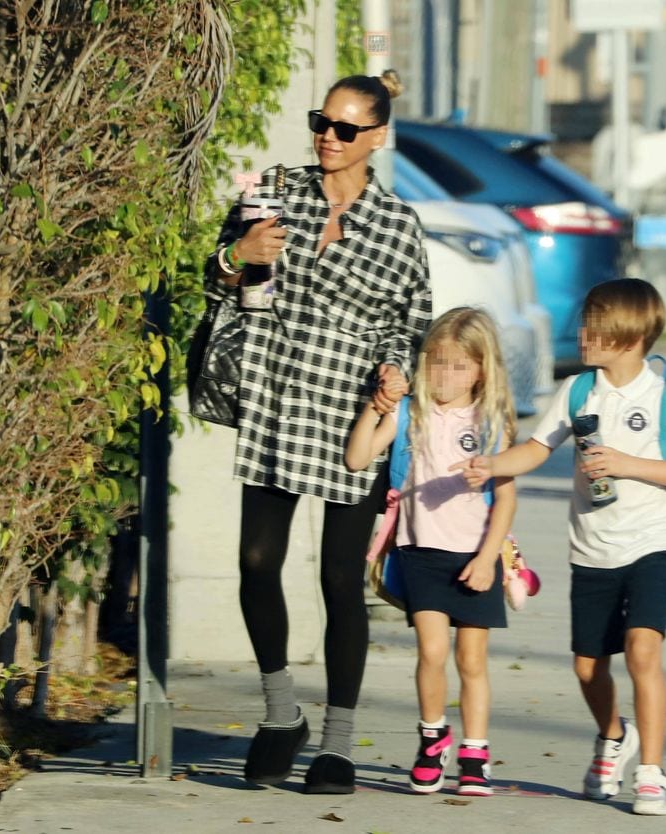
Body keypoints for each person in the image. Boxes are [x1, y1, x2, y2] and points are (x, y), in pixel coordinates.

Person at [203, 70, 432, 794]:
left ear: (377, 137)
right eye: (320, 122)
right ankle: (280, 715)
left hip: (350, 414)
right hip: (275, 396)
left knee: (340, 579)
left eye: (345, 129)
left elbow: (413, 320)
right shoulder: (274, 188)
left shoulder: (397, 224)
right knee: (255, 563)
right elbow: (216, 277)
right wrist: (240, 258)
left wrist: (396, 373)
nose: (327, 138)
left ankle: (336, 742)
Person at [452, 279, 666, 815]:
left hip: (651, 543)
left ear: (630, 337)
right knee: (588, 668)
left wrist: (627, 464)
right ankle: (614, 736)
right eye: (585, 323)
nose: (583, 334)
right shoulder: (577, 392)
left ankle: (653, 774)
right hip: (591, 550)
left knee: (643, 651)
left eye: (595, 326)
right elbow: (535, 449)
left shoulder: (664, 397)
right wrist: (492, 464)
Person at [345, 307, 517, 797]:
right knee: (432, 652)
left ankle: (475, 753)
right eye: (437, 362)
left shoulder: (490, 422)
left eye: (459, 365)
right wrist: (375, 408)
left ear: (482, 369)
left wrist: (487, 560)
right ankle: (432, 738)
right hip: (420, 552)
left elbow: (505, 498)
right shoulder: (410, 413)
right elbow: (357, 458)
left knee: (472, 661)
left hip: (475, 557)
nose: (446, 375)